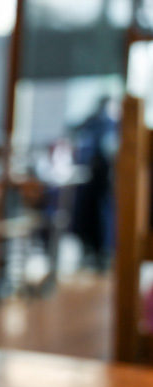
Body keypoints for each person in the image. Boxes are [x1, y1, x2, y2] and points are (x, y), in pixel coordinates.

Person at [72, 96, 119, 271]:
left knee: (102, 215)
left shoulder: (111, 124)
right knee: (91, 214)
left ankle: (103, 252)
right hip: (91, 180)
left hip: (102, 180)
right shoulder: (94, 123)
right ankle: (96, 251)